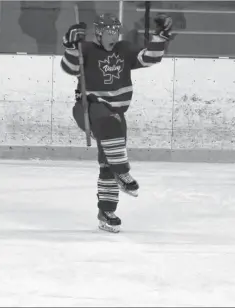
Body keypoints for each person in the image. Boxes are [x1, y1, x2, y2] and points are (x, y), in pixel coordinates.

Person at [60, 12, 174, 233]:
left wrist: (160, 37)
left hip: (116, 113)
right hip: (89, 107)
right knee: (110, 127)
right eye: (109, 31)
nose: (114, 35)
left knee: (106, 165)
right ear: (100, 33)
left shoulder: (124, 49)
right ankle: (123, 172)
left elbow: (149, 58)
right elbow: (70, 68)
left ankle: (106, 212)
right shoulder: (87, 50)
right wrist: (71, 44)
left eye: (116, 31)